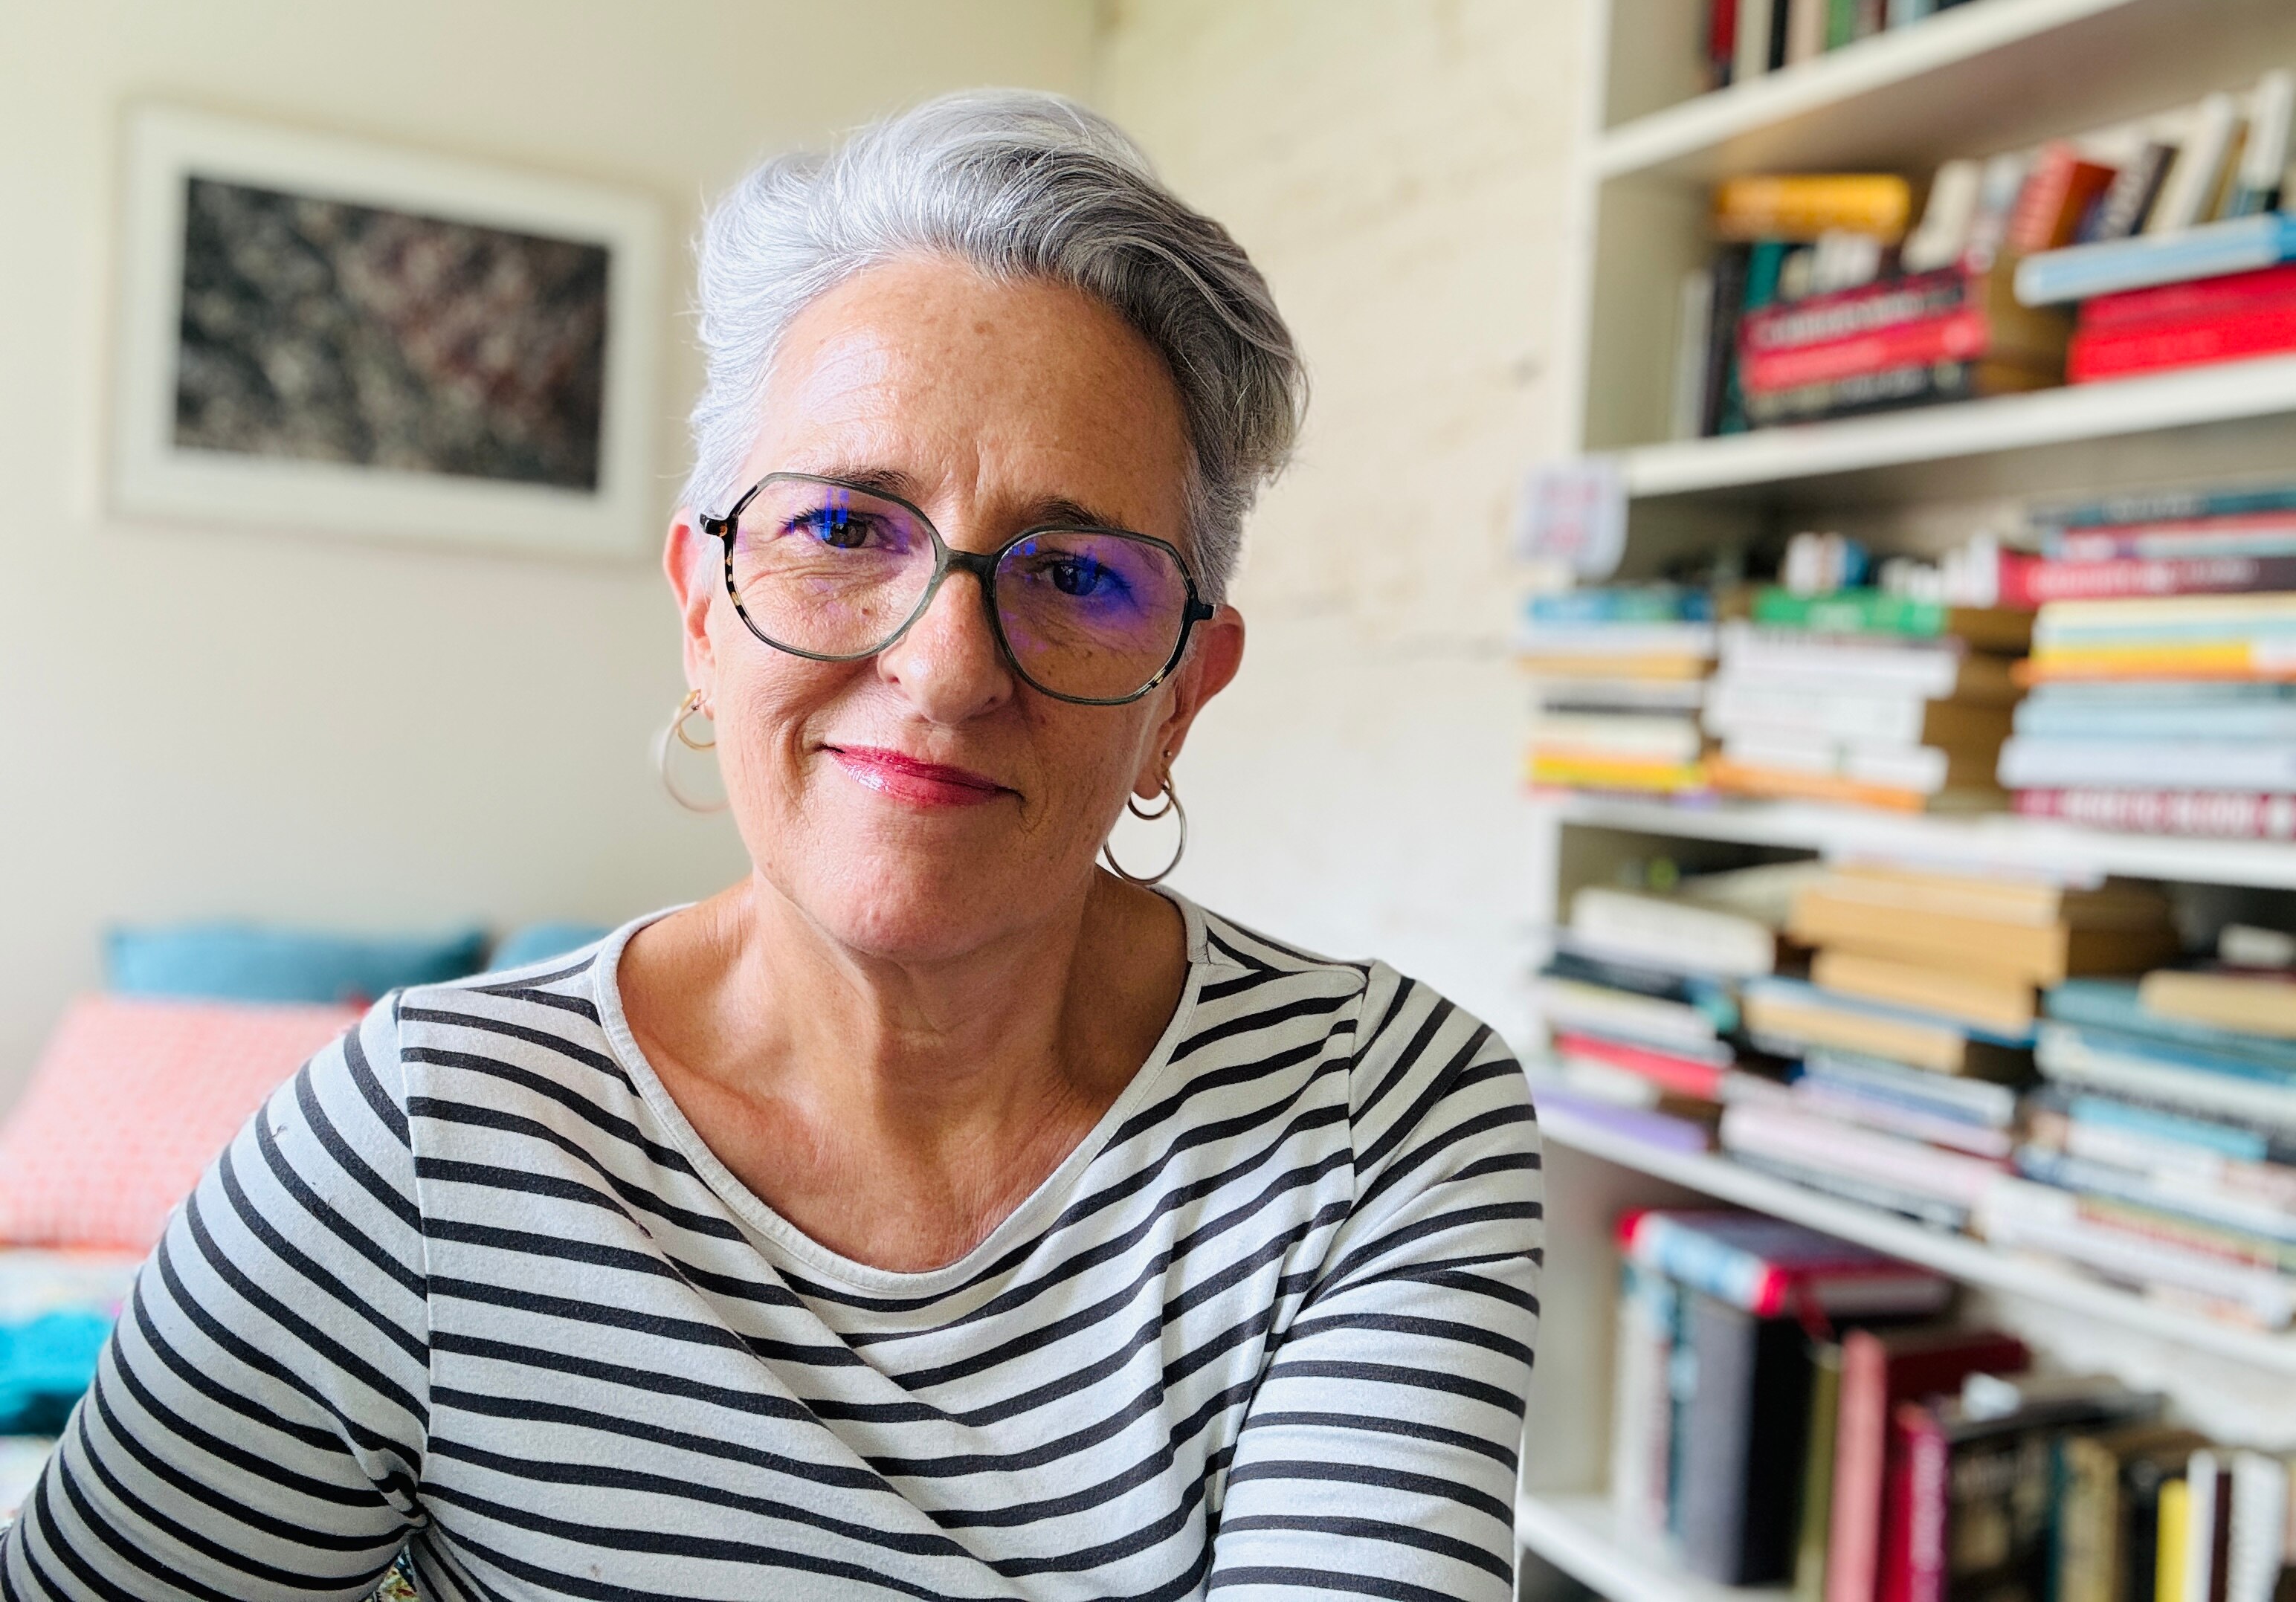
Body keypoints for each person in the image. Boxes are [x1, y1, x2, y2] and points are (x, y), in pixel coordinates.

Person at [2, 91, 1543, 1601]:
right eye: (840, 530)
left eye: (1072, 570)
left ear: (1179, 699)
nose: (945, 667)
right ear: (701, 612)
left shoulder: (1377, 1123)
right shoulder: (415, 1143)